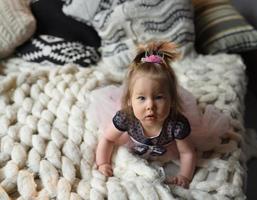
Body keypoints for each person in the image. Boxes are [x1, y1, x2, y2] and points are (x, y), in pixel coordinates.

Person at [88, 41, 234, 188]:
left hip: (167, 146)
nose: (150, 106)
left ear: (171, 100)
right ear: (130, 101)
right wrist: (103, 163)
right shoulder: (126, 118)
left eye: (159, 97)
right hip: (133, 138)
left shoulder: (176, 125)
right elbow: (107, 139)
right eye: (141, 98)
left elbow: (188, 153)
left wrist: (185, 176)